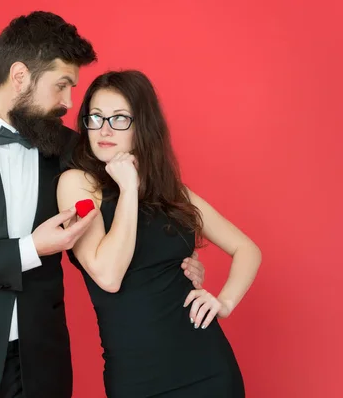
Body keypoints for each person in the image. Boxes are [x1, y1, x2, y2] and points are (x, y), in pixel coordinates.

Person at [0, 12, 206, 398]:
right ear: (20, 77)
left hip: (41, 367)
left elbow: (124, 217)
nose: (69, 102)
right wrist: (31, 249)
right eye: (62, 86)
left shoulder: (69, 148)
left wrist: (174, 261)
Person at [58, 70, 262, 397]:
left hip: (207, 365)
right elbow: (109, 275)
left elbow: (247, 249)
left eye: (119, 118)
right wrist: (127, 189)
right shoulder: (78, 186)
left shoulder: (172, 192)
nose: (105, 129)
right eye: (95, 117)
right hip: (138, 378)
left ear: (143, 126)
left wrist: (224, 302)